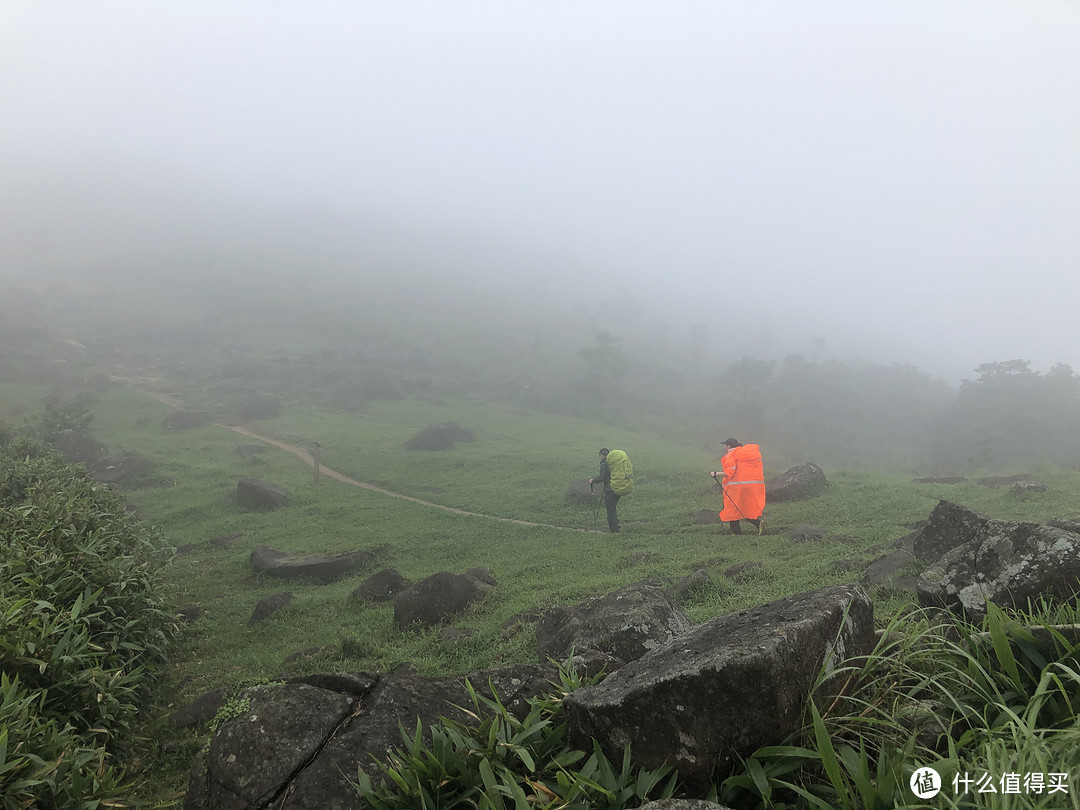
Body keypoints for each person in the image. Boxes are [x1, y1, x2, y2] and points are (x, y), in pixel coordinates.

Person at [710, 438, 765, 535]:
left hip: (735, 489)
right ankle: (758, 523)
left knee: (732, 509)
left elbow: (729, 472)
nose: (725, 448)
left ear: (729, 446)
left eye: (725, 445)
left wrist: (715, 474)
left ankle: (736, 533)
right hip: (748, 487)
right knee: (744, 508)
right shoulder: (743, 454)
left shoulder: (732, 454)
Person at [589, 447, 620, 533]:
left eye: (599, 455)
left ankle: (614, 529)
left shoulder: (604, 463)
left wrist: (594, 480)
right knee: (612, 507)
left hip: (610, 489)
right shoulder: (612, 462)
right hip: (617, 487)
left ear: (601, 455)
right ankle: (616, 525)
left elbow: (602, 477)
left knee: (610, 508)